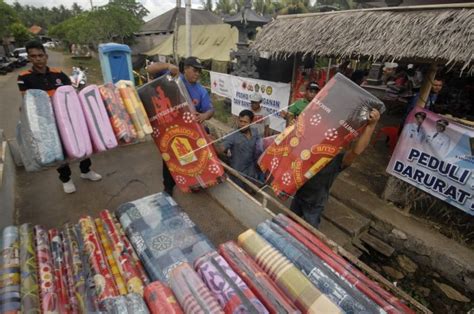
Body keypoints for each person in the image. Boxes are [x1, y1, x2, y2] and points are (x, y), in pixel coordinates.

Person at [17, 40, 101, 194]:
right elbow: (29, 101)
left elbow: (71, 95)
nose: (38, 59)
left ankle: (86, 171)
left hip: (68, 118)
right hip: (46, 122)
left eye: (40, 55)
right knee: (59, 150)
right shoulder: (24, 78)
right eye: (33, 56)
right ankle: (66, 179)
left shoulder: (59, 74)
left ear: (46, 56)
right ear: (29, 58)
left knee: (80, 142)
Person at [290, 109, 381, 228]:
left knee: (309, 233)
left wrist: (371, 126)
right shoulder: (308, 149)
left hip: (315, 204)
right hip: (298, 195)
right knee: (289, 223)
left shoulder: (336, 160)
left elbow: (355, 152)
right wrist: (293, 128)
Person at [146, 56, 215, 196]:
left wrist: (204, 116)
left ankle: (193, 182)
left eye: (199, 71)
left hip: (190, 131)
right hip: (169, 128)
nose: (197, 74)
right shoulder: (172, 77)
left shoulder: (201, 91)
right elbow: (149, 69)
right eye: (195, 70)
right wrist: (167, 66)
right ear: (186, 69)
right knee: (169, 158)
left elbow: (210, 110)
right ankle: (168, 188)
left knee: (193, 159)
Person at [216, 110, 262, 187]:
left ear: (251, 122)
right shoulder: (233, 135)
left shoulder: (255, 132)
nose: (242, 124)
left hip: (251, 172)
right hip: (237, 174)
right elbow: (221, 149)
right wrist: (209, 142)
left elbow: (260, 146)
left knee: (252, 191)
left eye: (245, 122)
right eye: (240, 121)